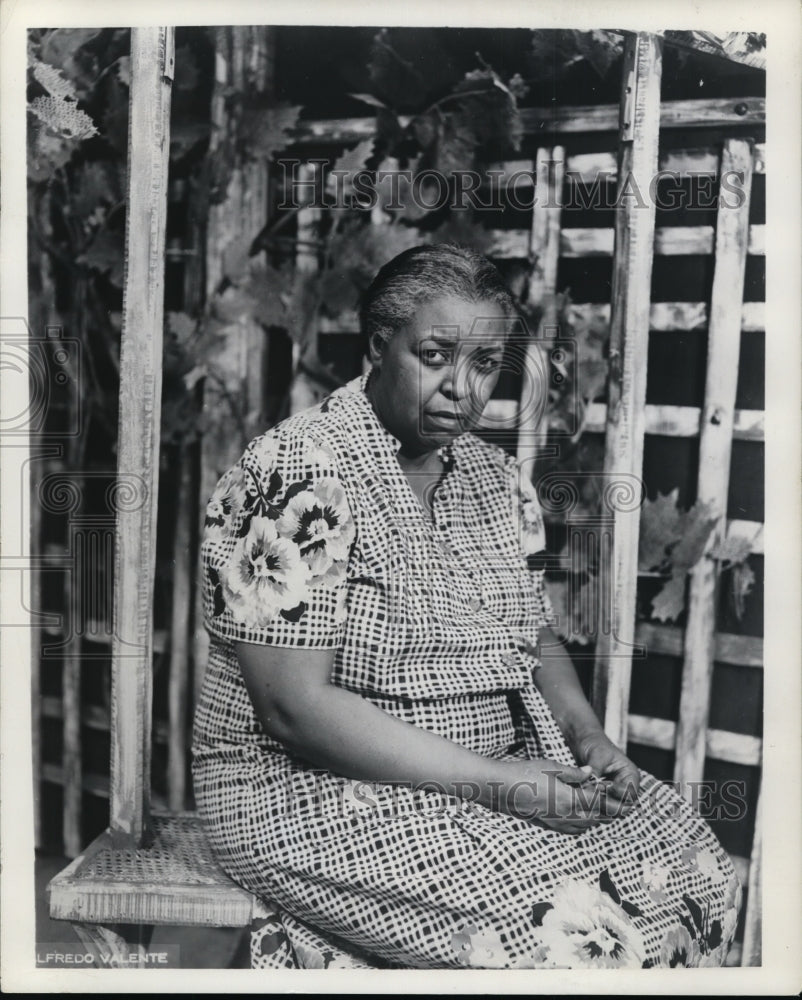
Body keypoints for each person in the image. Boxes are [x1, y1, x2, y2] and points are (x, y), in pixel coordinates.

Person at [192, 243, 741, 970]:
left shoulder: (493, 477)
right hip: (305, 785)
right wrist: (503, 785)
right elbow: (294, 711)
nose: (461, 388)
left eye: (483, 365)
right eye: (435, 354)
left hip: (484, 771)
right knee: (582, 937)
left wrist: (587, 740)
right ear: (380, 345)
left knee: (697, 862)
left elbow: (531, 633)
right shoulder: (302, 472)